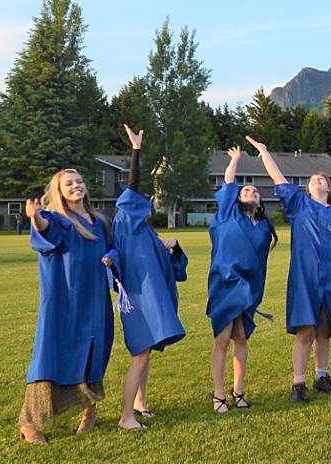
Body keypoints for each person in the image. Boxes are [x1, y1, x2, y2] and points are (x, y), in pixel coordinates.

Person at [247, 136, 331, 402]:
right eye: (312, 179)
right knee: (305, 331)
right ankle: (298, 384)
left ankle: (322, 376)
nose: (316, 180)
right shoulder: (299, 206)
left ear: (330, 188)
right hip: (305, 279)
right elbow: (278, 179)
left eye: (321, 179)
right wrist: (265, 152)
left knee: (324, 329)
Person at [19, 169, 114, 444]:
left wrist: (112, 256)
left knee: (94, 351)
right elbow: (45, 232)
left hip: (94, 298)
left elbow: (112, 247)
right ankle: (30, 422)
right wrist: (35, 218)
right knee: (51, 355)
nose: (76, 186)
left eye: (80, 182)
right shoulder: (57, 219)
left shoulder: (98, 221)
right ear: (59, 191)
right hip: (64, 299)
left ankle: (89, 411)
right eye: (69, 184)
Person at [105, 125, 188, 430]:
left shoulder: (145, 233)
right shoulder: (126, 224)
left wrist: (174, 248)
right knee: (140, 354)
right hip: (138, 301)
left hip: (149, 298)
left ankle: (139, 403)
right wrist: (136, 151)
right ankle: (126, 416)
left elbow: (172, 269)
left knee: (146, 352)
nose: (148, 202)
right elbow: (132, 184)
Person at [207, 145, 277, 413]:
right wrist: (235, 160)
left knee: (241, 339)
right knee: (222, 339)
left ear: (260, 202)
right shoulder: (228, 214)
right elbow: (228, 182)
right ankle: (219, 395)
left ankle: (238, 391)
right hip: (225, 285)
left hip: (249, 289)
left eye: (255, 191)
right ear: (237, 198)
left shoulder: (263, 228)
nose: (251, 192)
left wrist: (255, 292)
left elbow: (261, 263)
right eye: (246, 190)